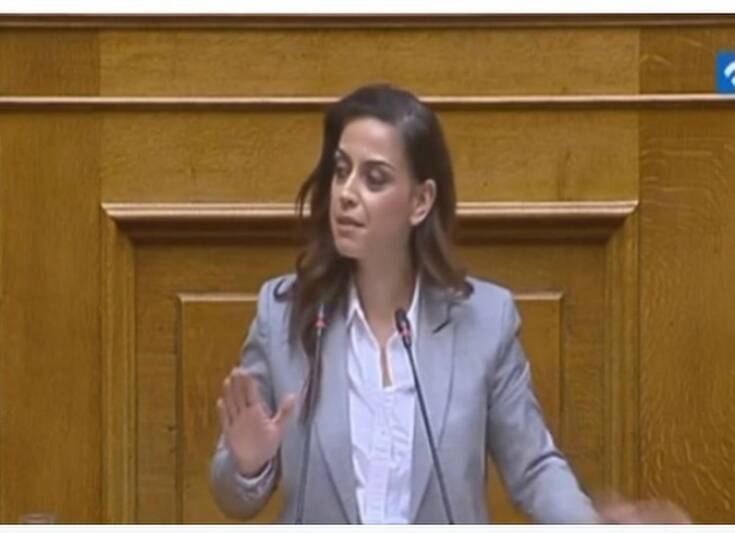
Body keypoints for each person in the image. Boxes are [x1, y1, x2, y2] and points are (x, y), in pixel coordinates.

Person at [210, 83, 688, 524]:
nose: (347, 194)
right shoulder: (284, 313)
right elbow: (232, 495)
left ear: (420, 202)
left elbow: (534, 469)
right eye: (341, 171)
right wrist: (249, 465)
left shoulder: (485, 321)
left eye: (374, 178)